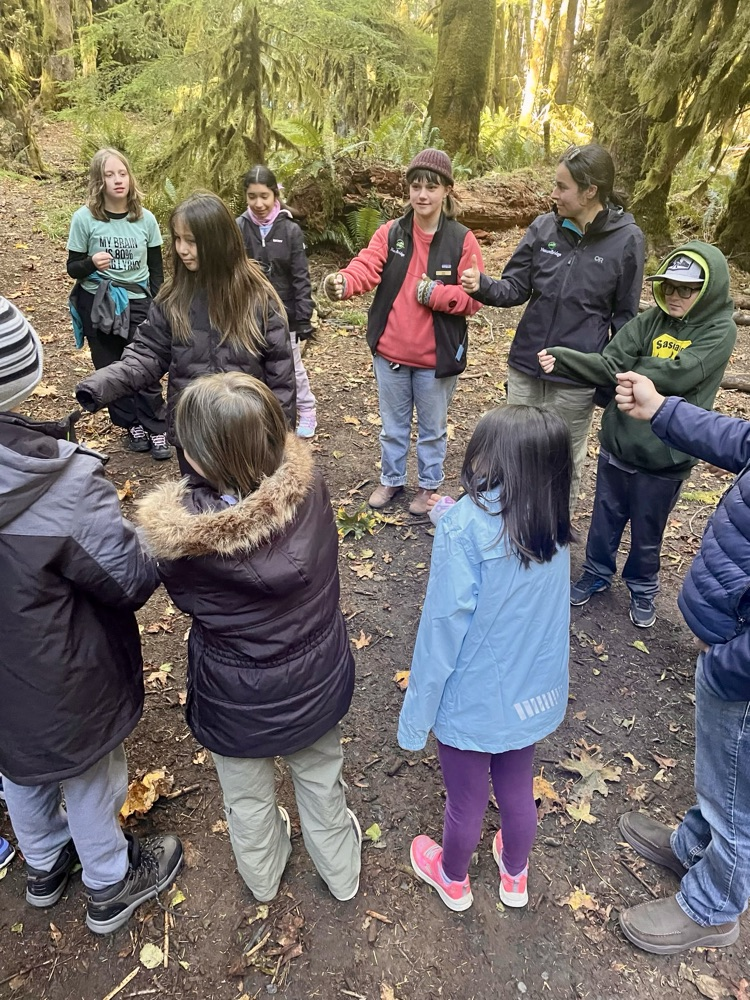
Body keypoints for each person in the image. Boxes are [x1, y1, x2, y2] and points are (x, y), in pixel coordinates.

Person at [136, 372, 361, 902]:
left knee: (247, 799)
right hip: (315, 681)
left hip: (234, 699)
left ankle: (262, 880)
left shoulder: (181, 542)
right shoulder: (310, 489)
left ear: (196, 457)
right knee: (323, 783)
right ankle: (342, 874)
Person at [0, 296, 183, 935]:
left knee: (17, 764)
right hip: (63, 679)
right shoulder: (62, 486)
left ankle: (44, 864)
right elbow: (129, 577)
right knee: (86, 771)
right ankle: (109, 880)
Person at [397, 405, 573, 911]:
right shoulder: (552, 524)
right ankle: (514, 873)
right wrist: (455, 516)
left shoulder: (466, 530)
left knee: (466, 799)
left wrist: (416, 720)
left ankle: (453, 877)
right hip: (529, 694)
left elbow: (440, 632)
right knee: (519, 787)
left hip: (473, 696)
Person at [611, 370, 750, 955]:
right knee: (724, 777)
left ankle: (714, 907)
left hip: (740, 666)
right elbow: (741, 441)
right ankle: (695, 846)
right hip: (730, 643)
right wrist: (664, 410)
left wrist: (727, 663)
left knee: (739, 793)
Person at [538, 242, 736, 628]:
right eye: (671, 287)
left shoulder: (719, 329)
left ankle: (642, 588)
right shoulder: (650, 320)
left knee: (649, 529)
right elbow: (613, 360)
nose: (676, 296)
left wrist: (635, 367)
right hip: (619, 444)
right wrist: (565, 357)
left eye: (687, 289)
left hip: (667, 455)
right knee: (605, 517)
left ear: (707, 290)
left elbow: (680, 372)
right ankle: (596, 573)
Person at [461, 143, 645, 505]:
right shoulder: (544, 227)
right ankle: (512, 520)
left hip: (576, 375)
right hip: (527, 365)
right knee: (514, 448)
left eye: (563, 187)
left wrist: (608, 377)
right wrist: (483, 285)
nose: (554, 194)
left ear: (590, 191)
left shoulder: (627, 239)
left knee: (562, 457)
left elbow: (625, 319)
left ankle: (555, 533)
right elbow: (515, 287)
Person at [75, 192, 296, 476]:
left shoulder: (257, 297)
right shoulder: (174, 296)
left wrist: (279, 438)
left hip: (246, 435)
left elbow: (281, 376)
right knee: (198, 510)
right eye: (177, 239)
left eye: (191, 241)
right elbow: (148, 353)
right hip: (193, 437)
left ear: (217, 241)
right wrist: (101, 384)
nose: (182, 249)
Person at [323, 148, 484, 516]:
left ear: (447, 190)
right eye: (415, 186)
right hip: (391, 354)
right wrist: (342, 282)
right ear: (408, 191)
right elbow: (365, 267)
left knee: (432, 430)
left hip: (436, 358)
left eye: (431, 186)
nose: (422, 195)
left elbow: (475, 298)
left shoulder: (462, 239)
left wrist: (436, 295)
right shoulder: (391, 233)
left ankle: (428, 488)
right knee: (393, 427)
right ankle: (391, 479)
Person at [67, 148, 172, 461]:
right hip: (97, 302)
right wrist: (91, 263)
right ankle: (131, 425)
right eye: (109, 175)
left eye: (122, 173)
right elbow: (73, 267)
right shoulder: (84, 219)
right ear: (99, 181)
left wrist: (159, 306)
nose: (117, 180)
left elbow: (156, 270)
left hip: (137, 300)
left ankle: (157, 427)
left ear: (130, 177)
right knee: (111, 365)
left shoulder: (145, 219)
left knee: (144, 365)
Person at [237, 165, 318, 438]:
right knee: (255, 365)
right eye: (252, 197)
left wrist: (304, 315)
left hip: (285, 313)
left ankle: (306, 410)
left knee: (291, 366)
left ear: (275, 195)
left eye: (264, 196)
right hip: (249, 312)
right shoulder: (239, 227)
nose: (258, 204)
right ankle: (263, 415)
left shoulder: (291, 230)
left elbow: (300, 276)